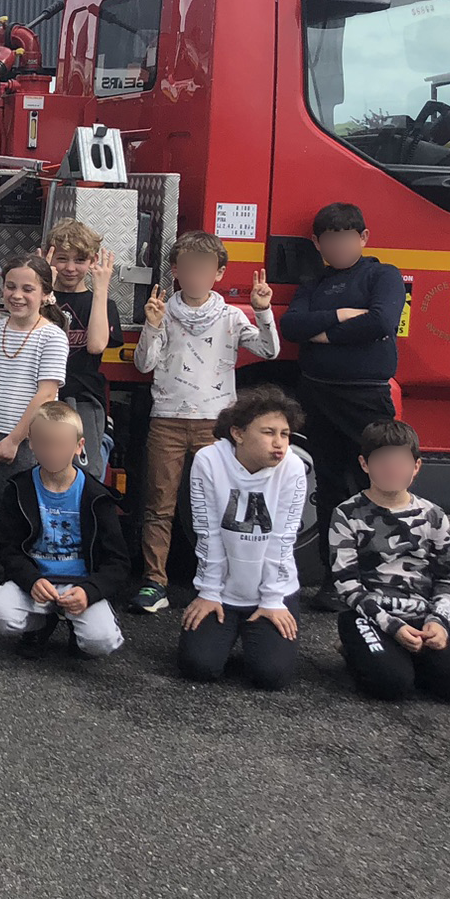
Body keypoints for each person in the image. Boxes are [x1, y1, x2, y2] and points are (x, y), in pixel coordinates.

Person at [130, 230, 278, 614]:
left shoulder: (231, 316)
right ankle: (154, 582)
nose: (196, 276)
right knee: (159, 505)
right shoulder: (162, 311)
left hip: (217, 423)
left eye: (204, 268)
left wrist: (263, 310)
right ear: (175, 271)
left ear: (219, 273)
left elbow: (269, 349)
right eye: (189, 268)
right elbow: (144, 364)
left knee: (221, 504)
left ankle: (220, 582)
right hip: (167, 419)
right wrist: (152, 326)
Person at [278, 202, 407, 611]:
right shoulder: (314, 282)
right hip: (318, 397)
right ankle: (336, 581)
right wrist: (340, 314)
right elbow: (292, 325)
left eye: (347, 239)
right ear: (318, 244)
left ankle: (385, 577)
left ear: (363, 238)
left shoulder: (383, 275)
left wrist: (323, 333)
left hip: (366, 399)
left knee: (381, 485)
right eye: (330, 240)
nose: (339, 247)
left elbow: (380, 322)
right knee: (331, 490)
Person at [330, 420, 450, 704]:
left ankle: (405, 658)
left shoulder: (434, 515)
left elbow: (447, 579)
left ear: (416, 466)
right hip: (370, 613)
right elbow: (346, 584)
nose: (392, 469)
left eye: (400, 462)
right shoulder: (347, 514)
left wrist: (440, 622)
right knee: (391, 684)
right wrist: (393, 627)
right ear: (364, 464)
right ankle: (355, 648)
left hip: (422, 613)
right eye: (382, 462)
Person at [175, 387, 308, 691]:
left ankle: (257, 637)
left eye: (285, 434)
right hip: (223, 591)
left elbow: (282, 539)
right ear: (238, 433)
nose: (279, 443)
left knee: (271, 675)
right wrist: (209, 591)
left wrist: (273, 598)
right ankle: (225, 634)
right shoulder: (209, 460)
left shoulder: (292, 468)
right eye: (268, 432)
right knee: (198, 666)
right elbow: (207, 531)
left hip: (271, 591)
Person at [0, 253, 70, 607]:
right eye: (10, 286)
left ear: (45, 294)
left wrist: (15, 439)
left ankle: (20, 588)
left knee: (21, 521)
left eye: (27, 289)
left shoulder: (52, 337)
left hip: (27, 444)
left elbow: (46, 393)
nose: (17, 295)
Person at [0, 402, 127, 659]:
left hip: (81, 584)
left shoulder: (96, 496)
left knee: (101, 642)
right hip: (38, 581)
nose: (53, 451)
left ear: (79, 446)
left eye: (61, 444)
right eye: (45, 443)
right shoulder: (19, 488)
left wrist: (90, 592)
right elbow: (8, 548)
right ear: (32, 444)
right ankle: (40, 624)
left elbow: (118, 562)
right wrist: (31, 580)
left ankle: (79, 628)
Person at [43, 220, 123, 480]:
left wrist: (100, 290)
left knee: (85, 472)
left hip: (84, 399)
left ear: (93, 261)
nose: (69, 268)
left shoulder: (102, 303)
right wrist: (42, 286)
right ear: (49, 258)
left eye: (79, 260)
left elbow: (96, 345)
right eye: (62, 259)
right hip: (43, 395)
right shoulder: (38, 300)